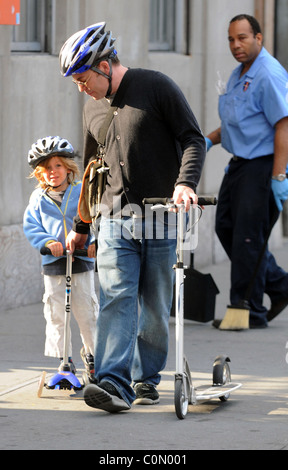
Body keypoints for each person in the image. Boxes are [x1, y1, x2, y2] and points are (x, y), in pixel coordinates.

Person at [59, 22, 206, 412]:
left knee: (155, 306)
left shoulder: (156, 86)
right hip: (113, 218)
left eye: (83, 77)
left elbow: (194, 138)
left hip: (161, 215)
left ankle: (146, 378)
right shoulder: (92, 106)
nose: (81, 87)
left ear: (105, 66)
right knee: (116, 297)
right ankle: (112, 383)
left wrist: (185, 184)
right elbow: (92, 168)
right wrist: (82, 227)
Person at [205, 14, 288, 329]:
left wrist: (278, 177)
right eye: (231, 39)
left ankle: (246, 310)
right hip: (239, 164)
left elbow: (284, 125)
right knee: (225, 228)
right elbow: (238, 121)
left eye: (242, 37)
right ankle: (280, 285)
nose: (236, 45)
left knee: (248, 239)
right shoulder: (240, 73)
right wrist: (207, 140)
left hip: (263, 166)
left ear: (259, 38)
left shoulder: (269, 74)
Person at [23, 136, 99, 379]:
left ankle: (93, 355)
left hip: (81, 261)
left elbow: (95, 218)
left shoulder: (80, 192)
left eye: (57, 166)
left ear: (68, 168)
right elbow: (31, 226)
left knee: (86, 311)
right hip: (54, 265)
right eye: (46, 168)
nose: (52, 172)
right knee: (56, 314)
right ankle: (64, 360)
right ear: (39, 173)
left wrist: (94, 243)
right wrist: (48, 243)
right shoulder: (38, 199)